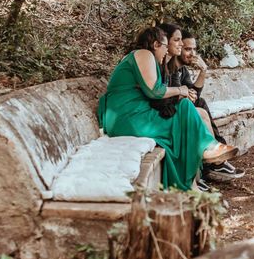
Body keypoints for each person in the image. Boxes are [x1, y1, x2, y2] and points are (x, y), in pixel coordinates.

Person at [97, 26, 237, 191]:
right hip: (128, 117)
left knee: (185, 112)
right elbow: (154, 91)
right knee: (184, 115)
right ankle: (206, 149)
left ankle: (195, 178)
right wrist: (180, 90)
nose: (166, 52)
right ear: (156, 45)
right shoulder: (143, 54)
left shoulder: (149, 59)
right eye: (165, 47)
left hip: (135, 115)